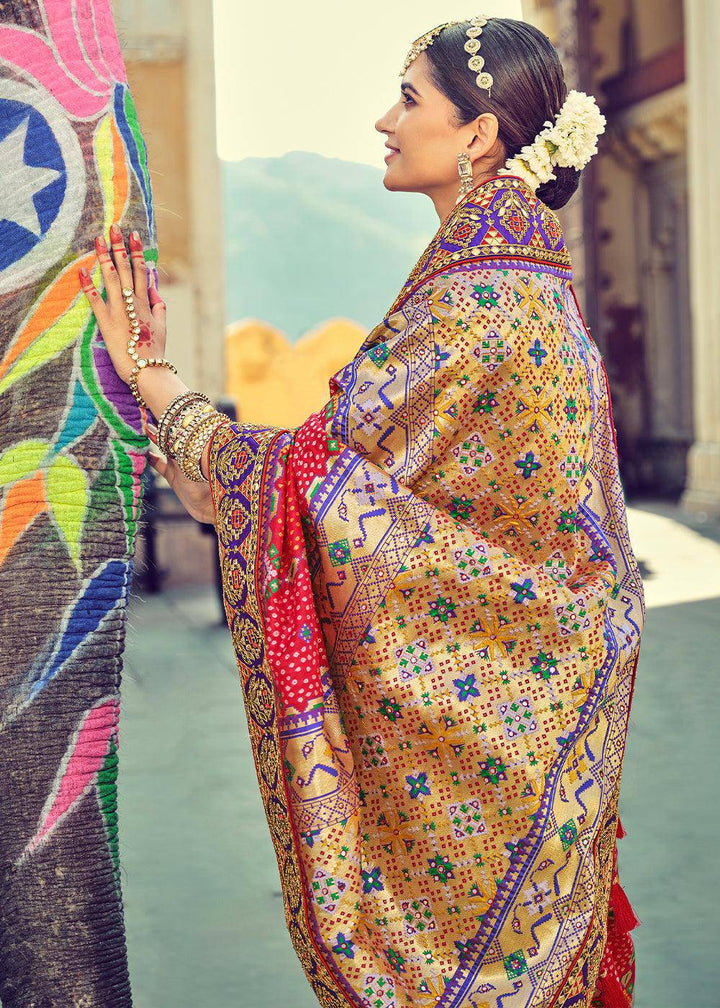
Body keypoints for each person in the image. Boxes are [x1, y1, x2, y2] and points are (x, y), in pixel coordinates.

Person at [80, 16, 644, 1008]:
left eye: (411, 97)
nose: (385, 119)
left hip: (500, 759)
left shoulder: (481, 305)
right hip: (543, 742)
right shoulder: (519, 285)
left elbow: (306, 488)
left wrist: (155, 381)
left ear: (479, 137)